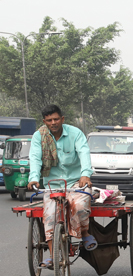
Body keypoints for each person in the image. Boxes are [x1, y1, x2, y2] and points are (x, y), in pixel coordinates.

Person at [27, 104, 96, 267]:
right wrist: (34, 178)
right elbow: (35, 158)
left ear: (62, 119)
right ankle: (53, 255)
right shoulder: (39, 136)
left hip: (75, 182)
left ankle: (84, 233)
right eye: (49, 120)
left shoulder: (75, 133)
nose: (53, 122)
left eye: (56, 119)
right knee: (50, 217)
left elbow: (84, 152)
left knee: (79, 206)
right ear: (44, 121)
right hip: (52, 184)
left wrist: (85, 174)